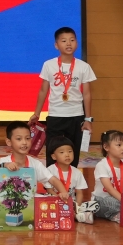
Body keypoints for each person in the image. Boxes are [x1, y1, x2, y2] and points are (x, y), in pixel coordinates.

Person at [30, 27, 96, 166]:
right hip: (55, 115)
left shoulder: (84, 66)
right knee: (53, 150)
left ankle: (71, 178)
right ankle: (52, 178)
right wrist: (37, 113)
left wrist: (88, 119)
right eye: (64, 41)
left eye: (72, 40)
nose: (68, 43)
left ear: (76, 43)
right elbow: (43, 90)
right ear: (56, 45)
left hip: (76, 116)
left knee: (73, 152)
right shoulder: (49, 65)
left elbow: (87, 94)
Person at [0, 121, 67, 195]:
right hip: (8, 200)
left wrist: (64, 192)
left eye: (27, 138)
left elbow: (52, 179)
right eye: (19, 139)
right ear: (9, 142)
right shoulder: (3, 161)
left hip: (32, 200)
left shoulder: (36, 164)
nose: (24, 142)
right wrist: (5, 165)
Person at [44, 135, 94, 224]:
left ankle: (75, 213)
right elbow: (49, 190)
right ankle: (76, 216)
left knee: (93, 204)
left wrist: (77, 206)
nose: (67, 155)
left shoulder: (77, 172)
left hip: (71, 203)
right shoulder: (49, 170)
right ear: (54, 156)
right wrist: (61, 202)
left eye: (70, 151)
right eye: (62, 152)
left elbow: (79, 193)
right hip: (55, 201)